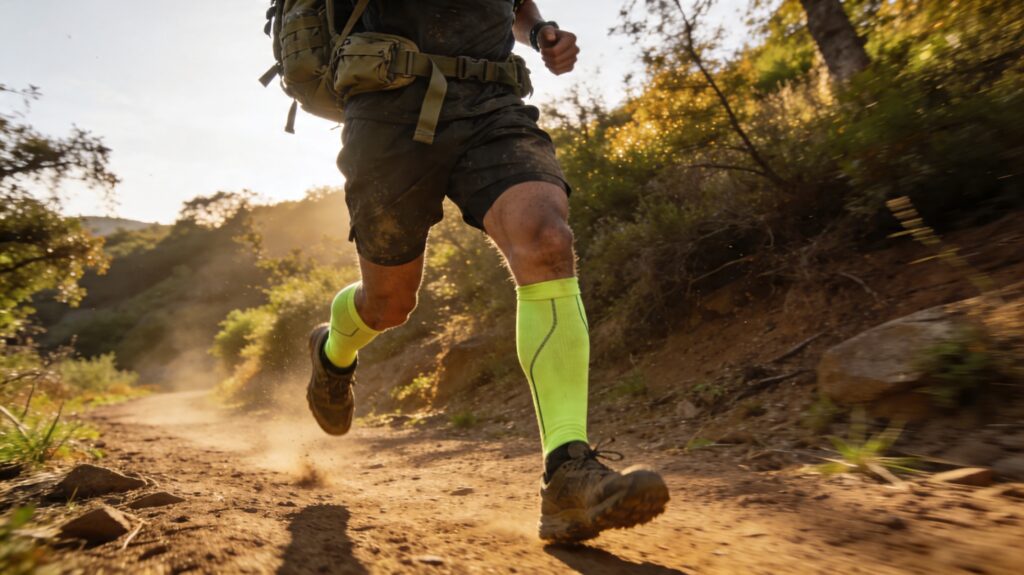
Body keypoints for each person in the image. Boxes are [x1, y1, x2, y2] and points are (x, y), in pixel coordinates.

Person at [305, 0, 669, 543]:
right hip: (386, 109)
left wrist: (539, 30)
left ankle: (566, 472)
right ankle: (333, 352)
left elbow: (516, 5)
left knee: (548, 241)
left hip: (492, 104)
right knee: (390, 304)